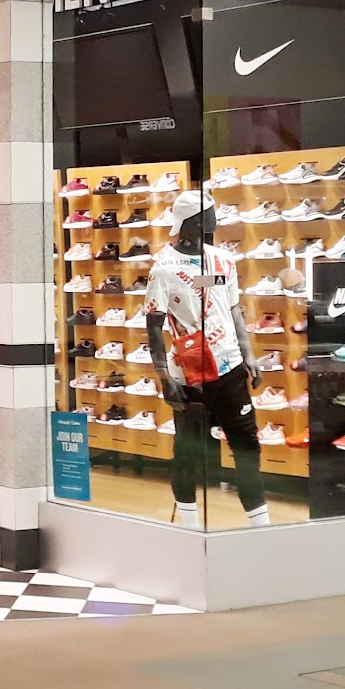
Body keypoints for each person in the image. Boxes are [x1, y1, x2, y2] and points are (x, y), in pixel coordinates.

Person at [143, 189, 270, 529]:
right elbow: (153, 326)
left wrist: (248, 354)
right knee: (187, 453)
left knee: (247, 447)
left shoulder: (223, 260)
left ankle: (262, 529)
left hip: (230, 367)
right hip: (189, 373)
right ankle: (189, 526)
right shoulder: (164, 269)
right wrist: (164, 378)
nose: (215, 219)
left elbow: (234, 308)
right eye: (209, 214)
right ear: (194, 221)